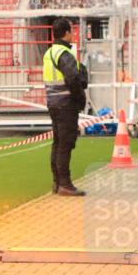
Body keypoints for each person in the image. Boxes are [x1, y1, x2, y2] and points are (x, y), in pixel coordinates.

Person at [43, 17, 87, 196]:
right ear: (67, 32)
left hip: (54, 103)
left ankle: (57, 182)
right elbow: (73, 79)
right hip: (65, 104)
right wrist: (80, 100)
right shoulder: (64, 53)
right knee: (66, 144)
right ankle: (65, 184)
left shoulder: (50, 52)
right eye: (72, 31)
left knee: (58, 143)